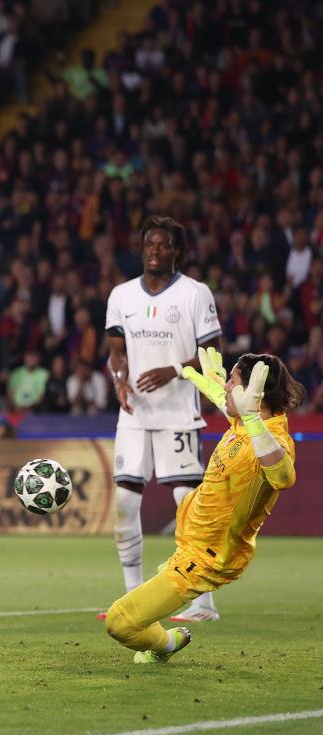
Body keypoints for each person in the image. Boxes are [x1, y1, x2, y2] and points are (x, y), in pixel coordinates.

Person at [105, 351, 303, 663]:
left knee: (120, 623)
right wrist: (210, 386)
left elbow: (284, 476)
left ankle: (167, 644)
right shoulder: (244, 422)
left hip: (206, 558)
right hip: (191, 542)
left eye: (232, 382)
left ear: (254, 395)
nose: (226, 387)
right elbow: (233, 408)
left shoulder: (270, 438)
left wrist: (250, 417)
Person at [102, 216, 222, 624]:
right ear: (142, 249)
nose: (155, 251)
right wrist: (119, 380)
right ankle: (133, 597)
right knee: (123, 503)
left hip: (179, 414)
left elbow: (214, 355)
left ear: (178, 251)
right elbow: (116, 352)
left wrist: (173, 370)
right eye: (149, 244)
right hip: (133, 414)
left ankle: (204, 602)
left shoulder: (195, 294)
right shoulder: (121, 295)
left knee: (188, 507)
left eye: (164, 245)